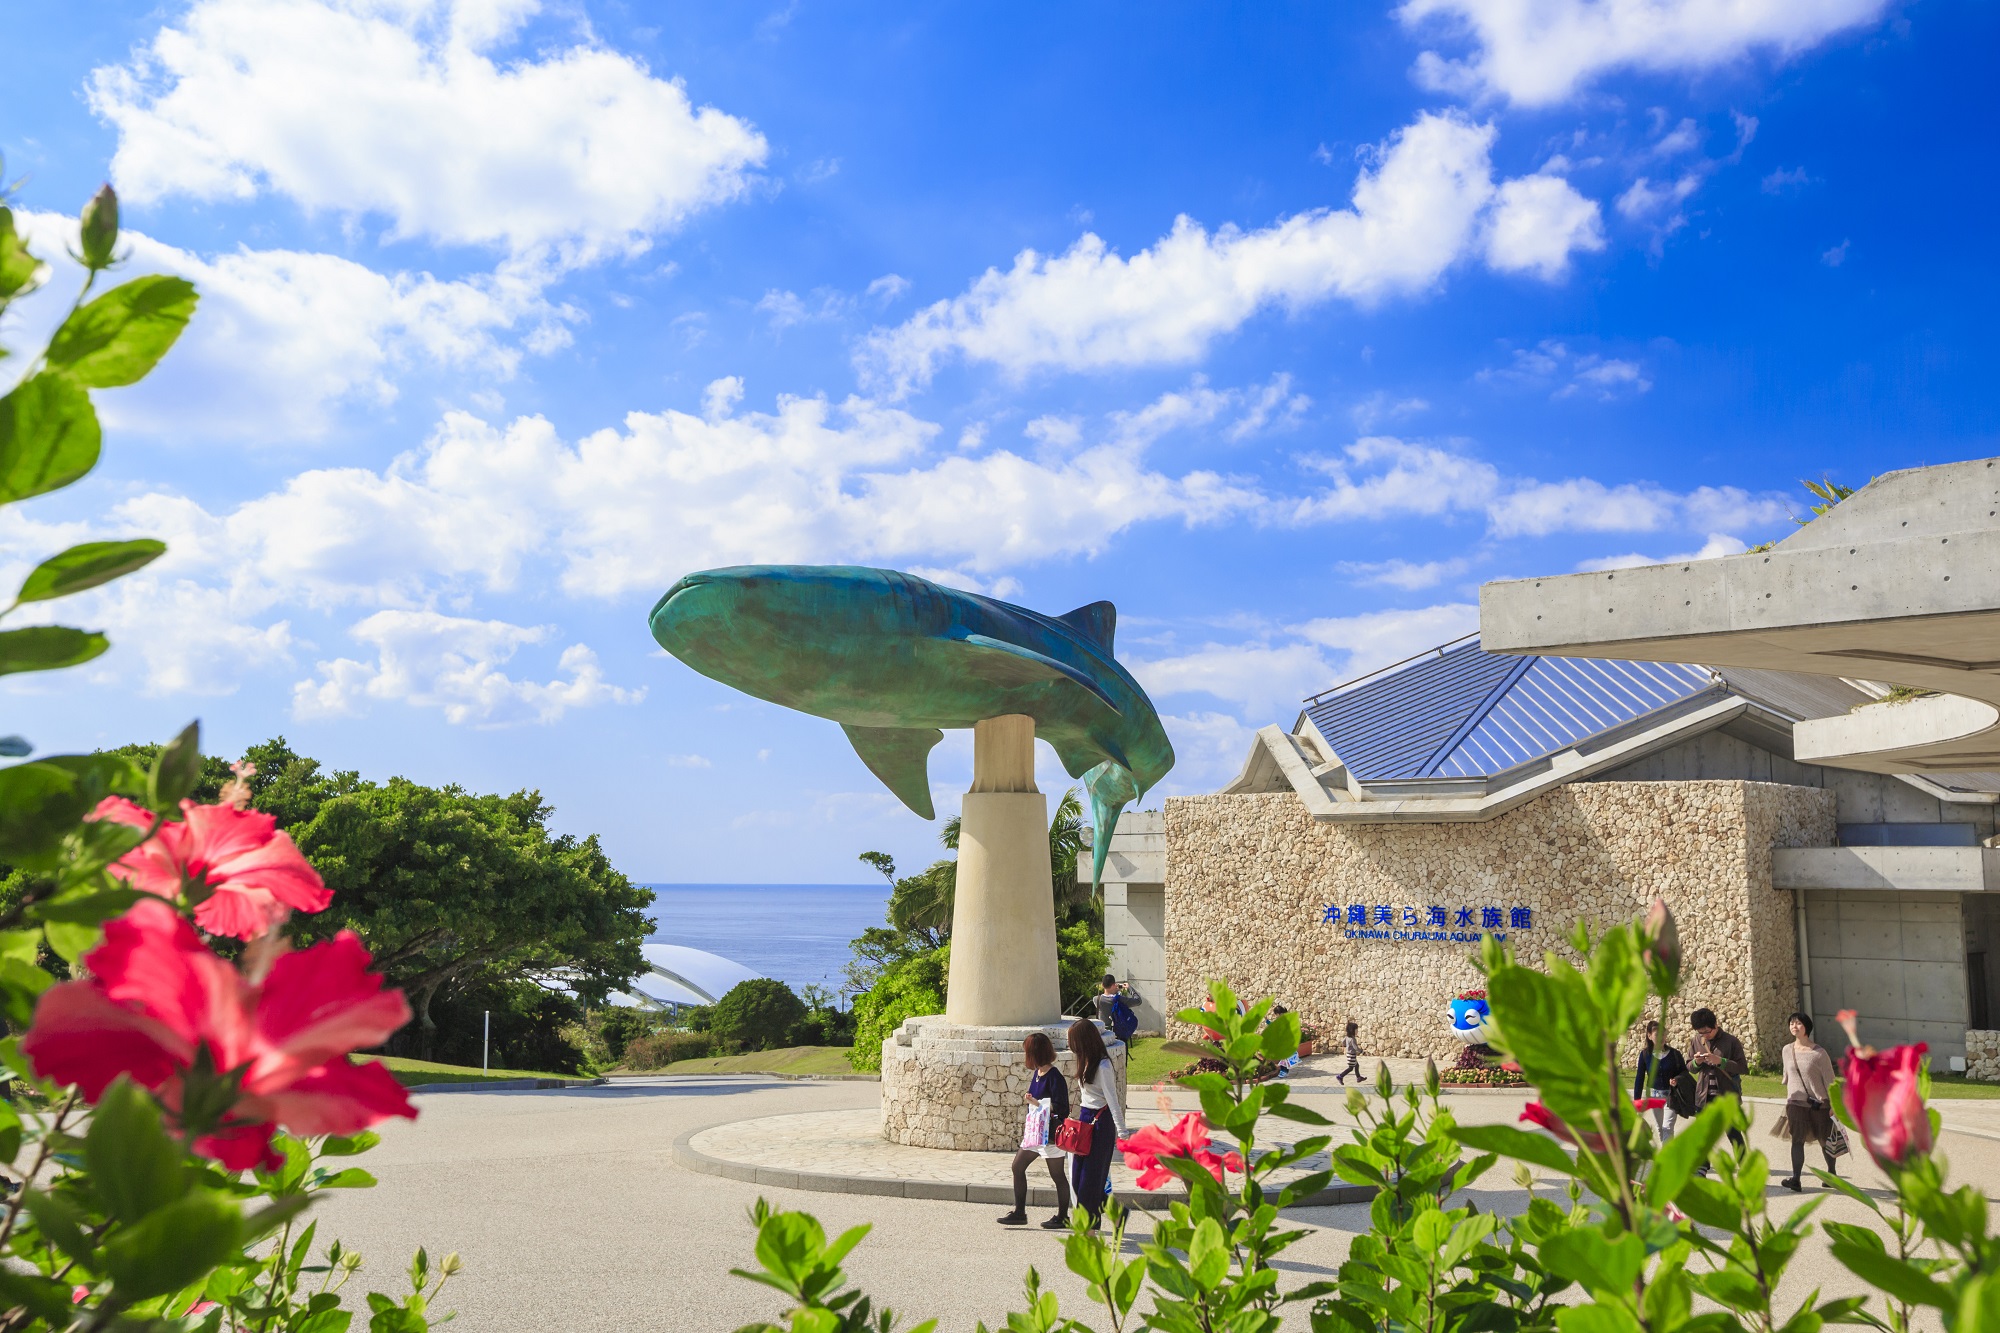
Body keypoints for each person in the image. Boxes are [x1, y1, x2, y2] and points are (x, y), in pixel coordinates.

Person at [998, 1031, 1072, 1228]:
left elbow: (1062, 1107)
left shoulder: (1054, 1076)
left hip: (1049, 1135)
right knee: (1017, 1166)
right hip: (1035, 1132)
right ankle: (1020, 1212)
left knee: (1057, 1175)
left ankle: (1063, 1216)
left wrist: (1036, 1102)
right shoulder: (1037, 1073)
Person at [1066, 1018, 1125, 1230]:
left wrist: (1122, 1132)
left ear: (1084, 1041)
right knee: (1078, 1179)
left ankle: (1088, 1231)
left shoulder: (1103, 1066)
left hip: (1101, 1124)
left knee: (1089, 1183)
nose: (1071, 1047)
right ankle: (1117, 1214)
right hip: (1084, 1121)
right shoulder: (1085, 1060)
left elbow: (1113, 1100)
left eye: (1073, 1042)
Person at [1778, 1011, 1840, 1191]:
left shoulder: (1819, 1053)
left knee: (1824, 1141)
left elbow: (1830, 1081)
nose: (1794, 1026)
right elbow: (1786, 1075)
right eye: (1791, 1023)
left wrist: (1834, 1105)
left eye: (1798, 1023)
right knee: (1797, 1140)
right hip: (1795, 1103)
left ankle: (1831, 1174)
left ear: (1807, 1028)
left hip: (1819, 1105)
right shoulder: (1786, 1050)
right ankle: (1796, 1179)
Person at [1689, 1007, 1747, 1173]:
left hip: (1727, 1096)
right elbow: (1690, 1067)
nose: (1705, 1035)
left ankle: (1744, 1166)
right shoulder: (1696, 1041)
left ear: (1715, 1024)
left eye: (1707, 1031)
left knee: (1734, 1133)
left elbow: (1742, 1067)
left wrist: (1720, 1061)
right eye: (1701, 1032)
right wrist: (1696, 1063)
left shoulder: (1731, 1041)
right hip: (1704, 1096)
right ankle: (1703, 1164)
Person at [1633, 1020, 1689, 1142]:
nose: (1661, 1037)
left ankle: (1667, 1159)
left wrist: (1676, 1080)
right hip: (1653, 1097)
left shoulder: (1675, 1054)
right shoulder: (1644, 1055)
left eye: (1663, 1034)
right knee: (1660, 1128)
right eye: (1657, 1034)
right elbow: (1639, 1078)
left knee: (1667, 1127)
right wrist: (1637, 1101)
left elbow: (1684, 1072)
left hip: (1671, 1096)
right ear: (1649, 1036)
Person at [1094, 975, 1140, 1042]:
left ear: (1103, 985)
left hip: (1103, 1033)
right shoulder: (1120, 999)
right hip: (1118, 1034)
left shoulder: (1096, 999)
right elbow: (1138, 1001)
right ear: (1113, 985)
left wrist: (1114, 991)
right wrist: (1129, 988)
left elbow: (1106, 999)